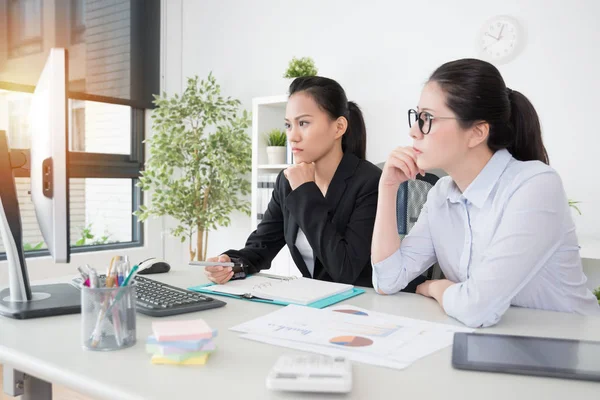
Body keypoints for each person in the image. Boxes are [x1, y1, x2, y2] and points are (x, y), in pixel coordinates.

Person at [372, 58, 600, 327]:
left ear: (477, 132)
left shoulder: (535, 185)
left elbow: (476, 308)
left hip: (571, 347)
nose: (413, 132)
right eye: (417, 116)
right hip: (495, 343)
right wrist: (387, 190)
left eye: (427, 119)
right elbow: (387, 280)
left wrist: (436, 288)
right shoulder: (441, 194)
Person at [205, 76, 424, 290]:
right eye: (288, 125)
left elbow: (344, 270)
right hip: (319, 305)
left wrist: (305, 191)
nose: (292, 136)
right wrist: (231, 263)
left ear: (338, 128)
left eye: (303, 123)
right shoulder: (287, 181)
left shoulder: (369, 183)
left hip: (371, 305)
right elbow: (261, 248)